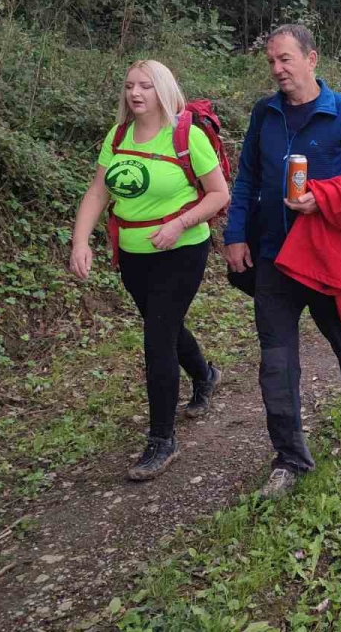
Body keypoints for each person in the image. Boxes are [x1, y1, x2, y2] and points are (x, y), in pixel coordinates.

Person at [224, 24, 341, 500]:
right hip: (274, 257)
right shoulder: (265, 113)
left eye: (285, 59)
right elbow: (246, 177)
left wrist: (325, 198)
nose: (277, 69)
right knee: (276, 362)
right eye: (271, 61)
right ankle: (290, 458)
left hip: (326, 258)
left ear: (311, 58)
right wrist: (235, 235)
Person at [70, 60, 230, 481]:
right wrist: (80, 241)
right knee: (165, 325)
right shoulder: (118, 136)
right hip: (133, 255)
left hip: (182, 251)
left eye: (145, 86)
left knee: (157, 337)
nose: (135, 93)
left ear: (163, 90)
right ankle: (205, 375)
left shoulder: (187, 137)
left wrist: (179, 224)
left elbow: (218, 194)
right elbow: (98, 192)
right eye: (129, 86)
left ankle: (162, 439)